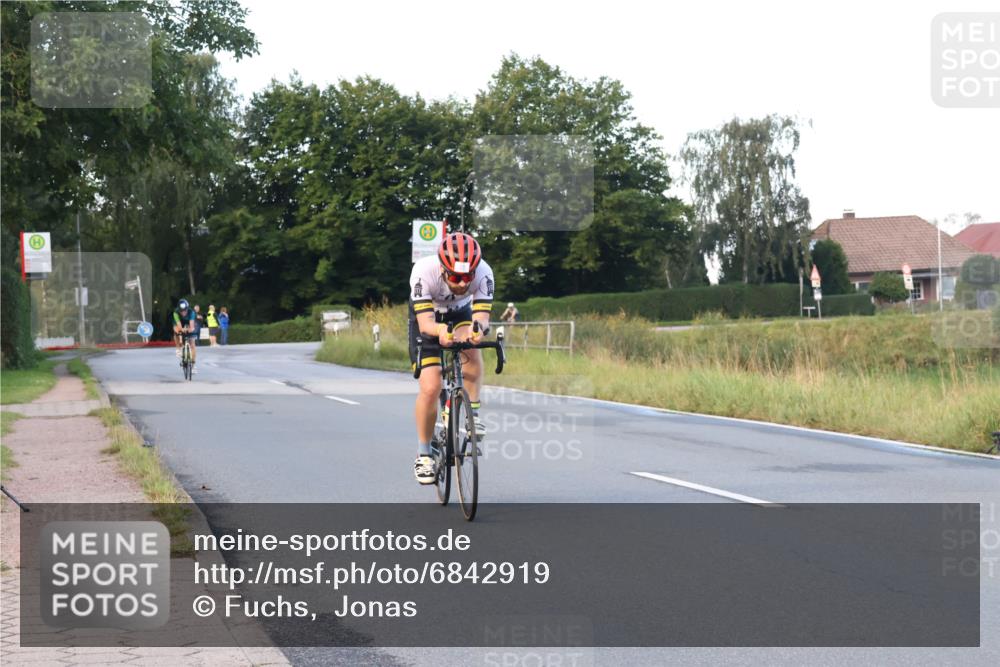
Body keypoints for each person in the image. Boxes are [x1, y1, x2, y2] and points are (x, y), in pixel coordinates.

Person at [409, 232, 494, 485]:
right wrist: (440, 332)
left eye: (468, 277)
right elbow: (426, 324)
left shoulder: (484, 272)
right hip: (428, 317)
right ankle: (424, 453)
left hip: (460, 313)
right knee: (431, 386)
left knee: (472, 349)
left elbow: (481, 318)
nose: (462, 283)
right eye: (456, 277)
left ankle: (472, 415)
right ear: (443, 269)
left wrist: (477, 330)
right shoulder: (423, 272)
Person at [172, 299, 198, 366]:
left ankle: (193, 363)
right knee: (176, 331)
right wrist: (181, 329)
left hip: (189, 322)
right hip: (180, 322)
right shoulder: (176, 312)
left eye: (185, 310)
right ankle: (178, 348)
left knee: (192, 344)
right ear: (179, 310)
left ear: (187, 309)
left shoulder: (191, 312)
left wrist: (190, 329)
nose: (183, 312)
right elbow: (178, 325)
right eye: (181, 311)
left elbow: (191, 325)